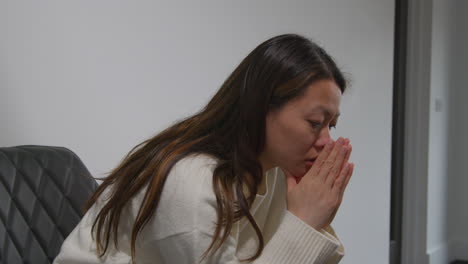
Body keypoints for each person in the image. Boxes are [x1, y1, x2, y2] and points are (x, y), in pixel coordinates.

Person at [54, 33, 354, 264]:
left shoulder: (275, 175)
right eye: (315, 122)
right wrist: (303, 222)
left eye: (332, 125)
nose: (326, 141)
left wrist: (317, 218)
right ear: (261, 108)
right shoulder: (193, 183)